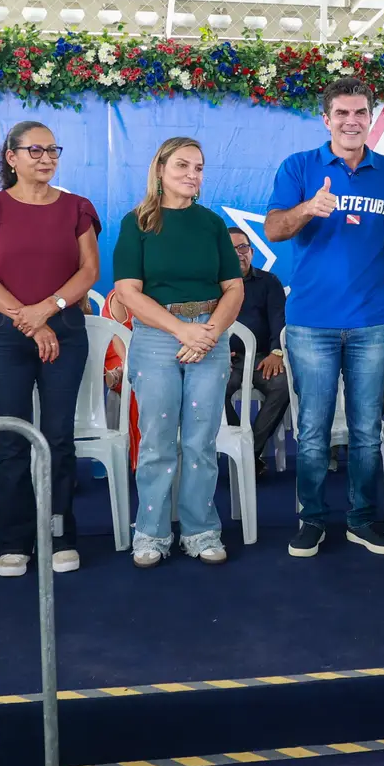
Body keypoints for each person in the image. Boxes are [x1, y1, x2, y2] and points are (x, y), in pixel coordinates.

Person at [266, 77, 384, 558]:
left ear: (370, 118)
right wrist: (308, 208)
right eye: (342, 113)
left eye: (360, 112)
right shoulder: (299, 166)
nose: (351, 121)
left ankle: (361, 520)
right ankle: (311, 518)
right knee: (313, 431)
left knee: (367, 431)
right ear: (326, 120)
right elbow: (274, 228)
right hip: (311, 324)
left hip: (373, 323)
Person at [0, 120, 100, 578]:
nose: (46, 158)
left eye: (52, 150)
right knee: (14, 437)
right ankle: (14, 540)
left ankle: (60, 534)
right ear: (12, 158)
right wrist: (27, 319)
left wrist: (47, 309)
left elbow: (88, 271)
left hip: (65, 332)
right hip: (5, 336)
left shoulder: (77, 208)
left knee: (59, 437)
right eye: (35, 150)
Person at [112, 137, 244, 567]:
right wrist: (181, 331)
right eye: (183, 165)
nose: (192, 174)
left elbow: (233, 287)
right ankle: (151, 534)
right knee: (156, 441)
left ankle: (201, 531)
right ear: (160, 169)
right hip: (157, 338)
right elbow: (127, 291)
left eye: (199, 167)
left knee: (201, 442)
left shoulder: (212, 224)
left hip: (209, 335)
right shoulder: (137, 223)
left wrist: (208, 333)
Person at [224, 227, 289, 477]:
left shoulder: (269, 282)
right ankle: (240, 447)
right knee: (210, 387)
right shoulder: (211, 285)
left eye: (242, 247)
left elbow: (279, 320)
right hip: (227, 360)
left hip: (263, 359)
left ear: (251, 251)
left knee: (283, 385)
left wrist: (276, 352)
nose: (238, 254)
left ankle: (248, 452)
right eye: (230, 249)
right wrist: (217, 352)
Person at [101, 290, 141, 472]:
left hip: (149, 354)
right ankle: (141, 459)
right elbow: (118, 341)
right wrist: (128, 367)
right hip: (120, 355)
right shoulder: (120, 296)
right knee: (138, 382)